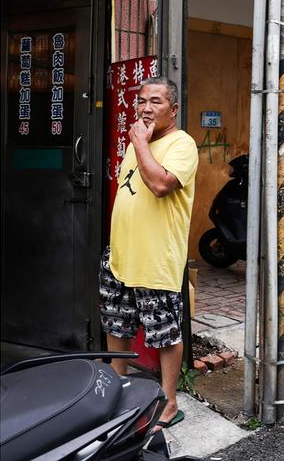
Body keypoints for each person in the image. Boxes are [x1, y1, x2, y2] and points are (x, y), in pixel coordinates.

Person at [101, 76, 199, 429]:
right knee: (117, 323)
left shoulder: (182, 144)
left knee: (164, 334)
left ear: (172, 109)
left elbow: (159, 185)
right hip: (121, 254)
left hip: (156, 258)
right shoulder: (138, 142)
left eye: (155, 102)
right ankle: (118, 387)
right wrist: (140, 143)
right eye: (141, 101)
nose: (145, 108)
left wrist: (141, 142)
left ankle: (170, 402)